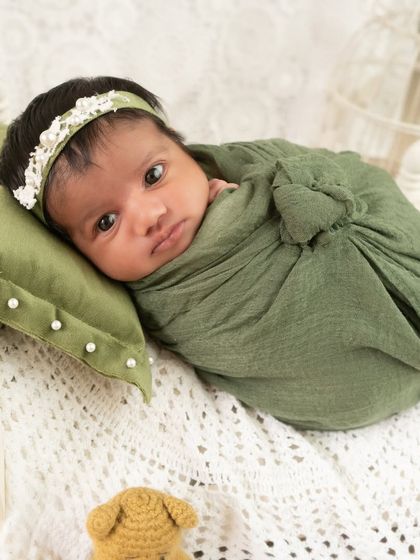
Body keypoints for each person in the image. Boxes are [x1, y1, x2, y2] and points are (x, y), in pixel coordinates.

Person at [1, 75, 420, 431]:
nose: (149, 216)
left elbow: (339, 173)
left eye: (154, 175)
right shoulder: (161, 300)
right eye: (106, 222)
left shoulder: (241, 168)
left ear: (189, 154)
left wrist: (247, 202)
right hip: (336, 389)